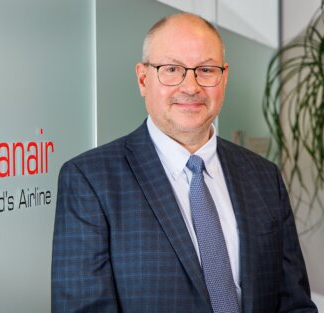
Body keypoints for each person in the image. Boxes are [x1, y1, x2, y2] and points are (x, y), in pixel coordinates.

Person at [51, 12, 317, 313]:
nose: (191, 87)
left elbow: (294, 304)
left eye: (206, 69)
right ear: (142, 78)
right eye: (172, 69)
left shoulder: (264, 176)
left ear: (224, 77)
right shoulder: (90, 181)